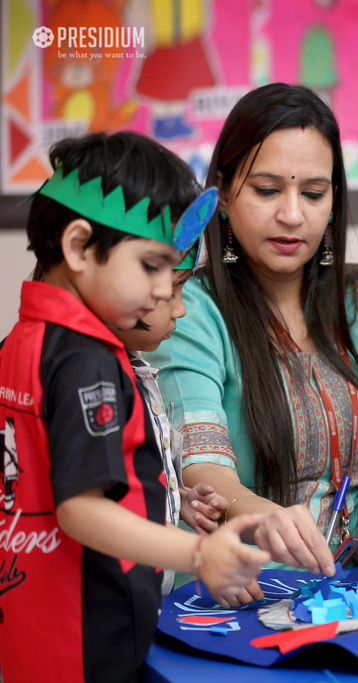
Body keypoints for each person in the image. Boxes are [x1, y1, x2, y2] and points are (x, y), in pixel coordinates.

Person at [0, 131, 268, 683]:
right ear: (78, 247)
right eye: (151, 266)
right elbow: (81, 509)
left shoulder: (24, 342)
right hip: (85, 641)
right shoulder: (86, 361)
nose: (165, 292)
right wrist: (198, 553)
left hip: (28, 628)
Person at [150, 83, 358, 575]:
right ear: (225, 195)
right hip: (235, 593)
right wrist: (262, 516)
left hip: (352, 597)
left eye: (313, 193)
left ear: (333, 200)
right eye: (267, 190)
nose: (292, 215)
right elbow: (203, 470)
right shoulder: (188, 312)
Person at [114, 240, 230, 596]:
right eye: (172, 290)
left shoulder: (128, 366)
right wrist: (198, 555)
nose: (180, 309)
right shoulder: (88, 375)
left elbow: (121, 476)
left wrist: (176, 498)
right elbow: (83, 505)